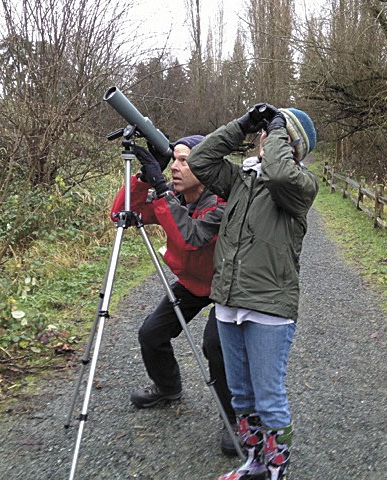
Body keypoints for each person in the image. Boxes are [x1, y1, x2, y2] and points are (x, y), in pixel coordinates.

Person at [187, 104, 318, 479]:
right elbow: (200, 160)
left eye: (277, 134)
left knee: (269, 398)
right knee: (242, 397)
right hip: (229, 303)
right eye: (265, 132)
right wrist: (241, 124)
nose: (264, 137)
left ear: (290, 145)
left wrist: (277, 129)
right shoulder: (241, 180)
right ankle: (256, 463)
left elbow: (279, 172)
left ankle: (278, 471)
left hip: (269, 308)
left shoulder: (300, 187)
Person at [109, 135, 238, 456]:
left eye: (185, 161)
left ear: (206, 166)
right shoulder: (175, 196)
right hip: (192, 282)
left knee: (216, 346)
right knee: (151, 333)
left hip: (227, 284)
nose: (177, 168)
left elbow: (190, 240)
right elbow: (122, 213)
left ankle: (235, 418)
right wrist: (142, 178)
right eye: (174, 160)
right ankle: (168, 389)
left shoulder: (223, 202)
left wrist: (164, 193)